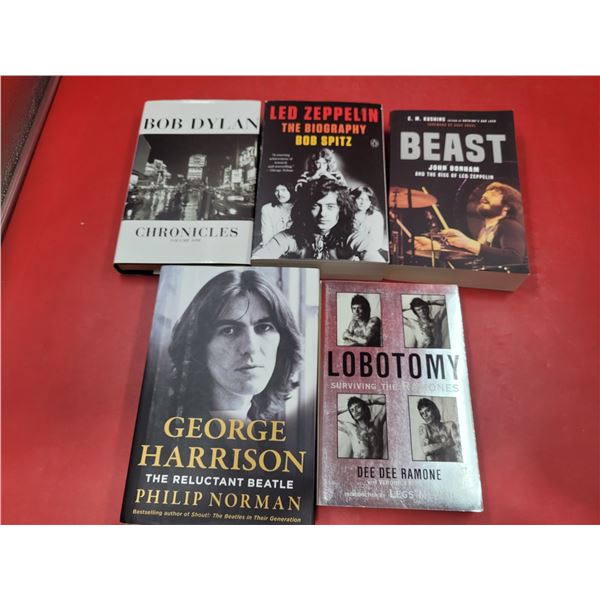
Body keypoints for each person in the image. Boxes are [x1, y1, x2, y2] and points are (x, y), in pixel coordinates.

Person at [168, 269, 302, 421]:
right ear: (199, 346)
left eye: (264, 327)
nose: (251, 347)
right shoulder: (174, 425)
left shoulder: (262, 427)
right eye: (229, 330)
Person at [253, 177, 385, 262]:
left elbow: (376, 262)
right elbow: (260, 258)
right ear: (305, 209)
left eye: (330, 207)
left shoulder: (353, 237)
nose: (323, 214)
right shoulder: (289, 236)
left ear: (341, 209)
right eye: (316, 206)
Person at [414, 182, 526, 267]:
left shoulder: (510, 225)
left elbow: (514, 258)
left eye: (494, 194)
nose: (485, 195)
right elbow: (479, 254)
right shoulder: (485, 229)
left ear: (507, 206)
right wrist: (437, 247)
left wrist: (467, 243)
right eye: (485, 193)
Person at [348, 186, 388, 259]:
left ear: (370, 202)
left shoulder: (376, 216)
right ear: (354, 199)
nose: (363, 203)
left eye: (367, 200)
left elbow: (376, 243)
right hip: (350, 254)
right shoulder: (348, 215)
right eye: (360, 199)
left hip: (370, 252)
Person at [417, 398, 461, 462]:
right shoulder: (424, 428)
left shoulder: (450, 425)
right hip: (435, 466)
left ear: (434, 409)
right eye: (422, 413)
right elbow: (426, 450)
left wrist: (435, 447)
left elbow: (459, 447)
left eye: (427, 411)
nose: (425, 415)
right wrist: (446, 444)